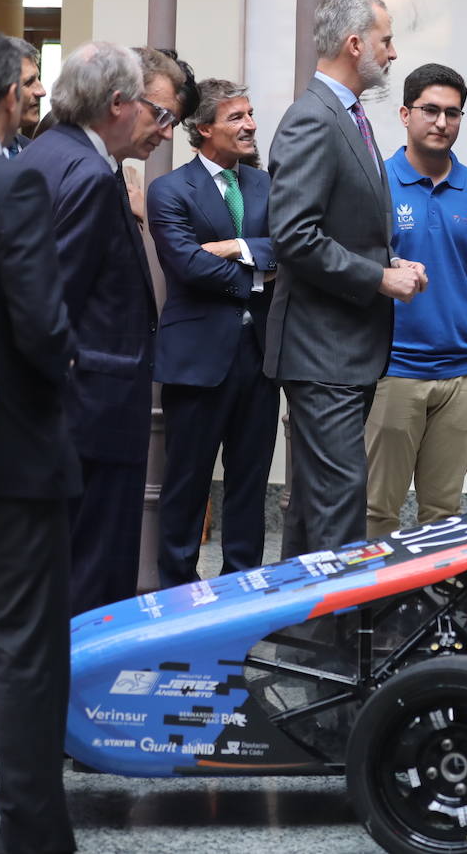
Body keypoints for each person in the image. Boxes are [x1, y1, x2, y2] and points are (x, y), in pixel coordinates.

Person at [0, 25, 78, 854]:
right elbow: (41, 330)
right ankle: (32, 834)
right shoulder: (12, 186)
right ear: (9, 97)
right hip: (8, 451)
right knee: (26, 651)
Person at [18, 42, 191, 615]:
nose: (166, 132)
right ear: (120, 103)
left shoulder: (47, 154)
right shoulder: (90, 172)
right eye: (161, 115)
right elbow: (50, 303)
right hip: (91, 406)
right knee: (93, 575)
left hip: (72, 407)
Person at [266, 0, 426, 558]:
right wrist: (379, 279)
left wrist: (387, 263)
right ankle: (335, 644)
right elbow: (294, 236)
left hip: (342, 348)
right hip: (322, 349)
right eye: (386, 41)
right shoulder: (313, 117)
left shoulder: (346, 114)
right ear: (355, 44)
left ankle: (301, 638)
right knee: (339, 501)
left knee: (316, 504)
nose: (392, 54)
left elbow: (342, 229)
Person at [364, 64, 467, 535]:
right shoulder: (375, 182)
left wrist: (450, 313)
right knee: (375, 511)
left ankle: (432, 608)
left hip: (462, 374)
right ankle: (375, 609)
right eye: (430, 110)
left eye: (452, 113)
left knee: (443, 515)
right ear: (405, 114)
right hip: (392, 371)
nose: (441, 122)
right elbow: (350, 268)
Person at [148, 79, 279, 587]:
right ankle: (176, 598)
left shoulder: (266, 184)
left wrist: (236, 249)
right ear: (203, 129)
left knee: (250, 486)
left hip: (260, 358)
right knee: (186, 486)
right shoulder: (170, 190)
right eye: (236, 118)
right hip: (197, 361)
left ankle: (240, 596)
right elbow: (186, 266)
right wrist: (260, 271)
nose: (250, 126)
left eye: (250, 114)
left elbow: (289, 245)